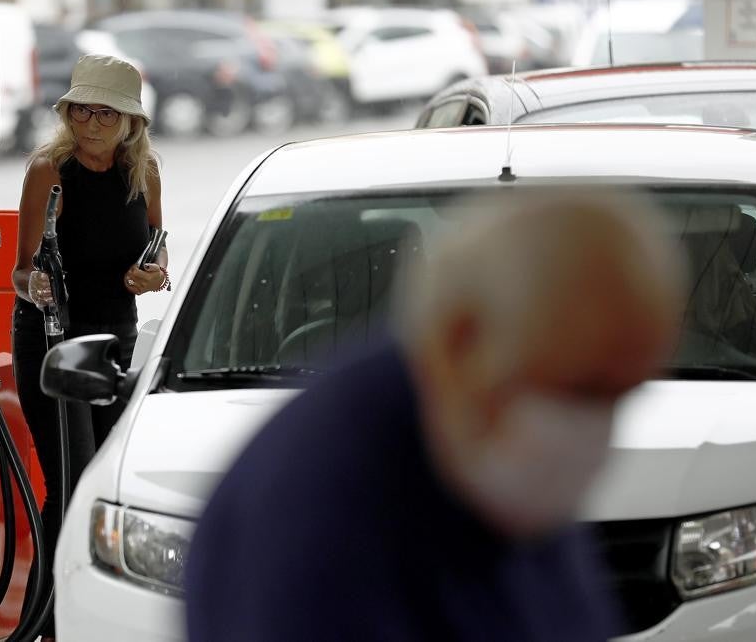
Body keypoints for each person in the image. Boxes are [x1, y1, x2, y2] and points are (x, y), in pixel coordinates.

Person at [184, 189, 685, 641]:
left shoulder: (484, 455)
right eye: (581, 391)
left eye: (621, 396)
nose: (594, 432)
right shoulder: (305, 518)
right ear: (462, 339)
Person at [11, 54, 169, 639]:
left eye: (107, 112)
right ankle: (45, 623)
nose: (93, 123)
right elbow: (20, 273)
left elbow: (156, 249)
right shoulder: (48, 172)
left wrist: (149, 275)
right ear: (68, 112)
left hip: (113, 346)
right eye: (83, 109)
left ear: (131, 121)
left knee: (105, 482)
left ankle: (94, 619)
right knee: (69, 478)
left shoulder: (144, 172)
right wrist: (37, 285)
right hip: (51, 342)